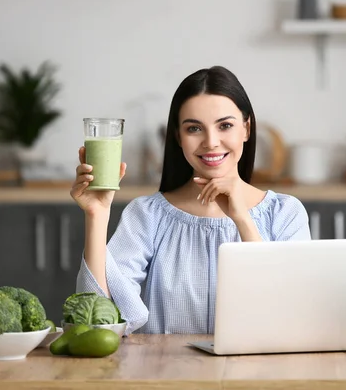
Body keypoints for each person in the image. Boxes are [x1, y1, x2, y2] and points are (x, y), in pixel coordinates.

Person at [70, 66, 311, 335]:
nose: (211, 142)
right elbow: (97, 325)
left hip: (254, 376)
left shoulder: (285, 213)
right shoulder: (147, 215)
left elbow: (290, 313)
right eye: (194, 128)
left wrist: (242, 219)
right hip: (165, 374)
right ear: (177, 136)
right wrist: (97, 215)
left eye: (225, 126)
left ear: (246, 129)